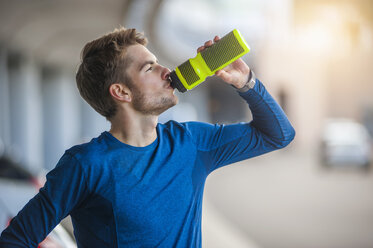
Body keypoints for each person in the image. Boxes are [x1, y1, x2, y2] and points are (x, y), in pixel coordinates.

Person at [0, 27, 295, 247]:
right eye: (149, 68)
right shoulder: (85, 164)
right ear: (121, 92)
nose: (167, 71)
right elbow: (16, 241)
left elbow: (278, 134)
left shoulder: (191, 142)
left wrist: (246, 83)